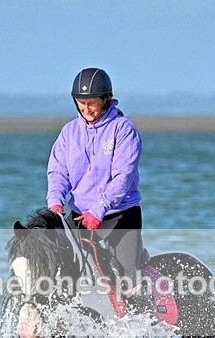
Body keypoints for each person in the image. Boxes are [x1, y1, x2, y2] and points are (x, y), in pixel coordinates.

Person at [46, 67, 144, 296]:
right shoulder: (69, 132)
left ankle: (142, 323)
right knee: (58, 274)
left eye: (92, 102)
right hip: (80, 215)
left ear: (106, 100)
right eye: (81, 103)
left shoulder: (123, 129)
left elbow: (123, 177)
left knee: (130, 287)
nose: (86, 109)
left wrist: (99, 210)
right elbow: (58, 171)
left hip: (119, 215)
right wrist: (55, 201)